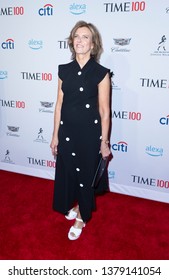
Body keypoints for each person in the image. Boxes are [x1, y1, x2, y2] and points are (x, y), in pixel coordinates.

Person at [50, 21, 111, 240]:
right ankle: (75, 206)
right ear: (71, 41)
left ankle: (81, 217)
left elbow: (104, 111)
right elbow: (59, 104)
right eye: (77, 36)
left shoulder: (101, 73)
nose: (80, 40)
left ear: (93, 45)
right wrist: (55, 134)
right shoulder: (63, 70)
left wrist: (104, 142)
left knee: (85, 175)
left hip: (89, 134)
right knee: (69, 173)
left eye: (85, 37)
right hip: (67, 132)